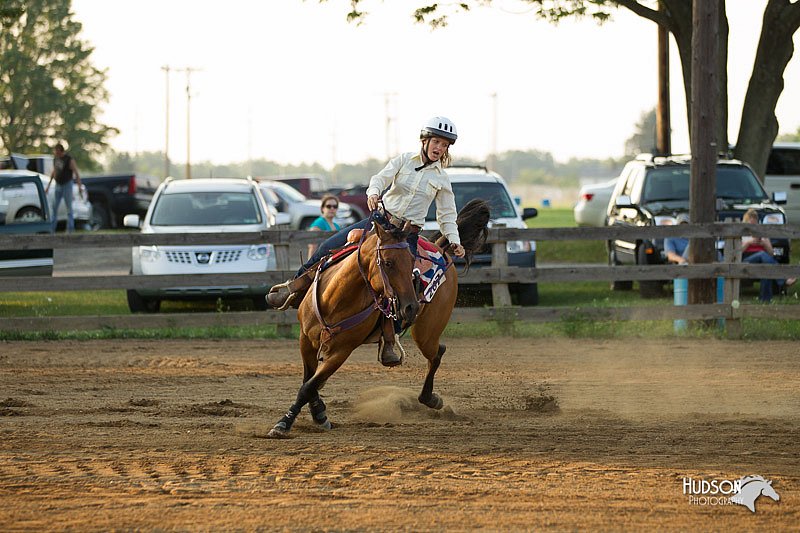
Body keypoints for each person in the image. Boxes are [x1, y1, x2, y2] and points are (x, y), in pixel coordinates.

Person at [267, 116, 466, 366]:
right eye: (436, 141)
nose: (439, 148)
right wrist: (373, 193)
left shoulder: (441, 179)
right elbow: (380, 179)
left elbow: (446, 214)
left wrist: (454, 240)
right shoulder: (404, 160)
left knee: (403, 285)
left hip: (407, 236)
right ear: (425, 141)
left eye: (445, 145)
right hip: (380, 223)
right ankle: (294, 287)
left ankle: (389, 339)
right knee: (329, 247)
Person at [741, 208, 795, 302]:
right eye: (751, 223)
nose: (753, 225)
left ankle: (765, 299)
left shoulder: (762, 234)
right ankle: (783, 279)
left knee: (766, 265)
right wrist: (749, 243)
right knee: (762, 255)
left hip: (763, 259)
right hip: (747, 259)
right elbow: (738, 252)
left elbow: (771, 253)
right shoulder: (742, 234)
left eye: (755, 223)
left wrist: (764, 243)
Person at [45, 143, 83, 232]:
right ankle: (52, 229)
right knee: (54, 207)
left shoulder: (68, 159)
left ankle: (70, 229)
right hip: (58, 184)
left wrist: (79, 186)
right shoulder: (56, 159)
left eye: (57, 151)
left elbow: (76, 173)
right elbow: (54, 172)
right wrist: (48, 186)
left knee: (69, 208)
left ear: (61, 151)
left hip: (67, 184)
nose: (56, 153)